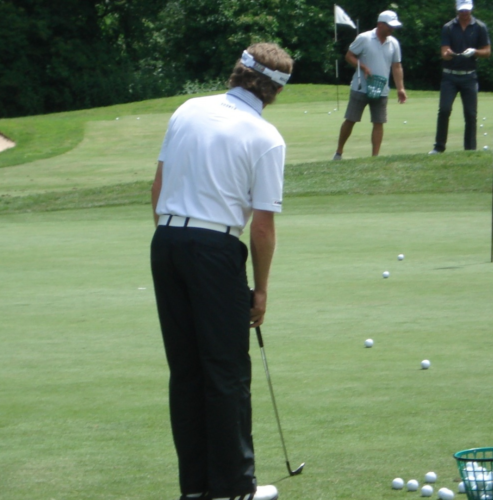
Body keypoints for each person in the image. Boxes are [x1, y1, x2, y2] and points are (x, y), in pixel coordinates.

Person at [150, 43, 293, 500]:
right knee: (226, 372)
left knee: (187, 372)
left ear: (238, 72)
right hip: (214, 249)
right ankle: (234, 489)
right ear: (274, 91)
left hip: (166, 244)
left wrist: (179, 240)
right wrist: (262, 291)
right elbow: (264, 229)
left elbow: (157, 188)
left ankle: (195, 489)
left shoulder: (188, 108)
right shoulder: (265, 136)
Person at [333, 10, 407, 160]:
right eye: (389, 26)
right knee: (351, 119)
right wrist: (363, 67)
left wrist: (400, 88)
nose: (392, 29)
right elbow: (349, 56)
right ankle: (339, 152)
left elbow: (396, 66)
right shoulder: (364, 38)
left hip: (382, 89)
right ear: (380, 24)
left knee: (379, 122)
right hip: (360, 87)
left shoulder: (394, 43)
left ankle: (375, 157)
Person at [429, 0, 491, 154]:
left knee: (470, 114)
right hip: (449, 76)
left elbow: (487, 51)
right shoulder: (448, 27)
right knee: (444, 110)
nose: (464, 13)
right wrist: (448, 55)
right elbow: (444, 53)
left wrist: (475, 52)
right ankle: (439, 147)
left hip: (469, 77)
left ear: (471, 9)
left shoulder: (480, 27)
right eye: (462, 10)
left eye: (467, 10)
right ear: (457, 10)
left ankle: (469, 149)